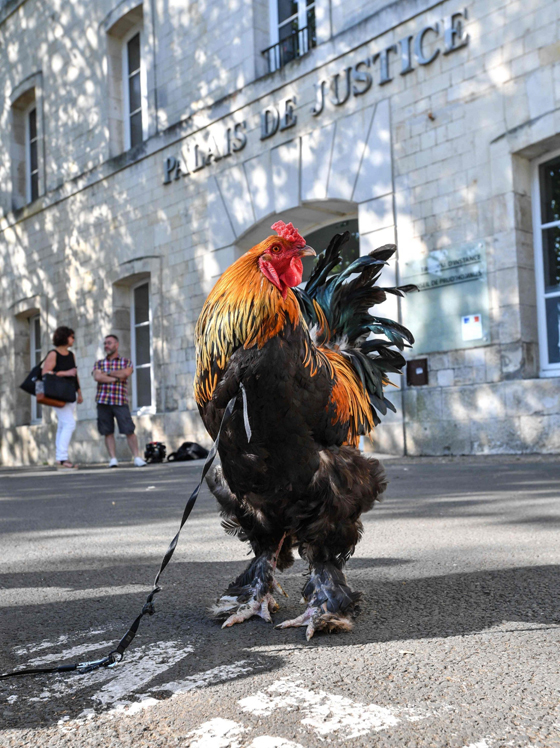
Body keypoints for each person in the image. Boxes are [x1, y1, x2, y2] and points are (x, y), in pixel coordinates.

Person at [92, 334, 146, 467]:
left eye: (109, 343)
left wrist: (107, 374)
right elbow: (97, 377)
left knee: (129, 429)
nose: (106, 346)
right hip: (103, 401)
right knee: (107, 431)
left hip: (120, 400)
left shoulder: (126, 362)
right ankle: (113, 459)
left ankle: (137, 457)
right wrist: (116, 377)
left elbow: (126, 373)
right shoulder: (99, 363)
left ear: (116, 345)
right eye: (105, 343)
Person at [42, 326, 83, 470]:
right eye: (72, 336)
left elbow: (75, 374)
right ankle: (62, 458)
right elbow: (45, 373)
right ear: (65, 337)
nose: (73, 339)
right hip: (58, 393)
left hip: (70, 393)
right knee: (70, 424)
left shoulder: (71, 355)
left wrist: (79, 392)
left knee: (62, 425)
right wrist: (65, 373)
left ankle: (59, 459)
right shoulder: (53, 354)